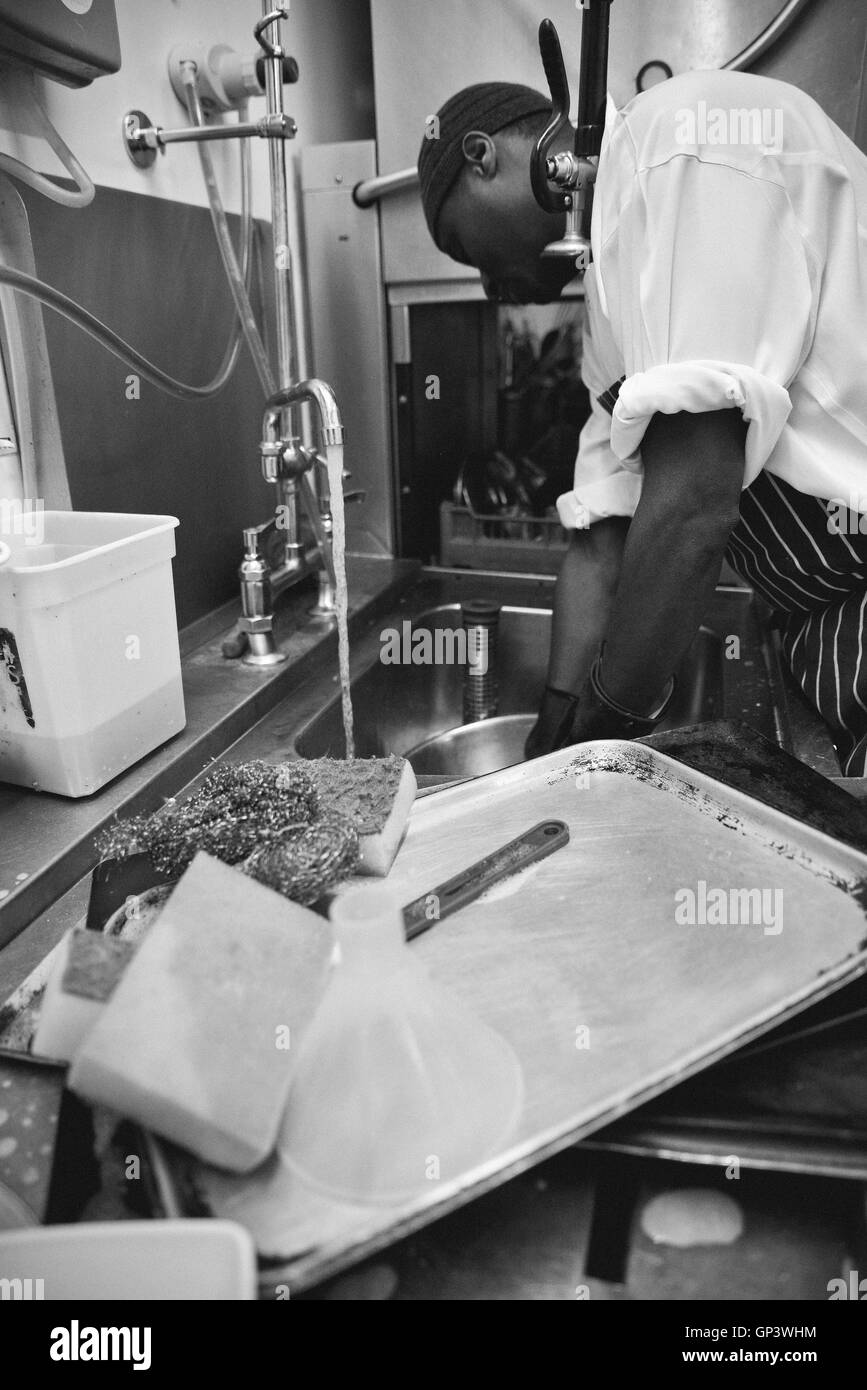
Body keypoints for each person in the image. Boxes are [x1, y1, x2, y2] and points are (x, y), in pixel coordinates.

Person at [417, 71, 867, 773]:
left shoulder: (679, 145)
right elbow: (601, 542)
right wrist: (549, 739)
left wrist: (604, 728)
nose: (485, 282)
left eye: (462, 245)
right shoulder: (608, 295)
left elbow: (691, 504)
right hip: (825, 631)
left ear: (481, 156)